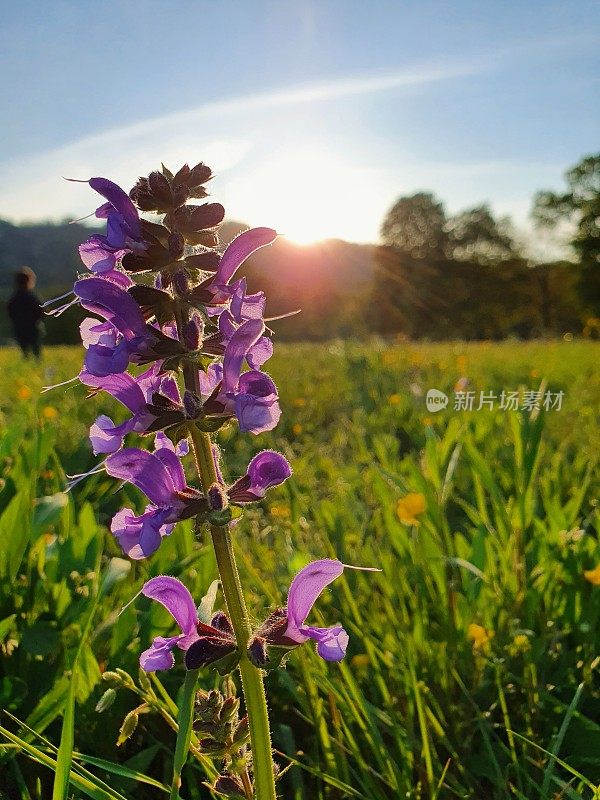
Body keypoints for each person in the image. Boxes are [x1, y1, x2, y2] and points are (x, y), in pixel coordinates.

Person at [7, 267, 44, 359]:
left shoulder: (14, 298)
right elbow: (41, 310)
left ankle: (26, 358)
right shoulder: (32, 297)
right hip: (33, 326)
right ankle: (36, 360)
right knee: (36, 349)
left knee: (24, 348)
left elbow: (10, 311)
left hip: (19, 327)